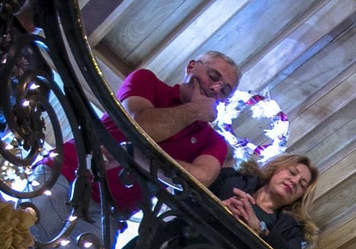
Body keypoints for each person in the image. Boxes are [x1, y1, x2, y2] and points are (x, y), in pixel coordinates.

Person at [55, 52, 239, 219]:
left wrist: (134, 154)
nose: (216, 88)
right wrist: (195, 110)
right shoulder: (146, 81)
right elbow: (138, 128)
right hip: (67, 175)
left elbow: (199, 180)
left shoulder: (214, 142)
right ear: (191, 66)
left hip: (110, 215)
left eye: (225, 90)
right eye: (213, 76)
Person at [211, 154, 319, 249]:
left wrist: (261, 229)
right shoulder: (234, 179)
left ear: (300, 197)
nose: (295, 181)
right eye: (292, 172)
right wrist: (219, 205)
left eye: (302, 185)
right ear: (276, 168)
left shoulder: (288, 228)